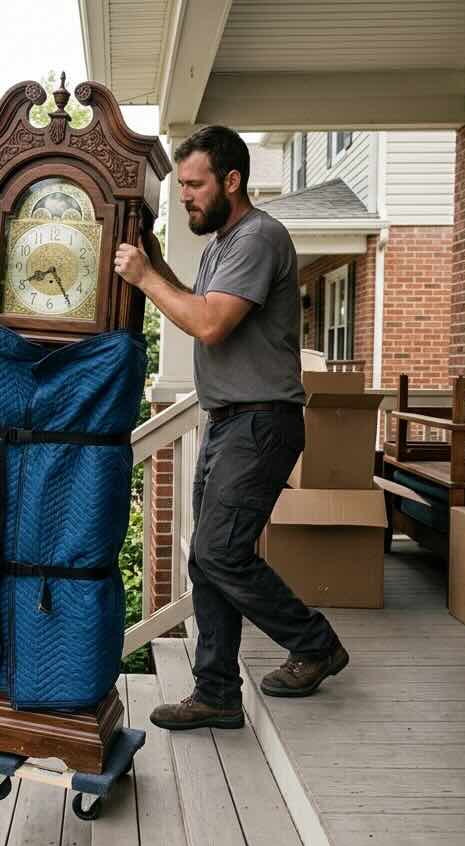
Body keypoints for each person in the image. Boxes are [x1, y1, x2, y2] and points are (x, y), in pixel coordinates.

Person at [114, 125, 349, 732]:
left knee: (220, 551)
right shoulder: (223, 243)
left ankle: (315, 643)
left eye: (194, 185)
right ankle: (216, 692)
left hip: (261, 421)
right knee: (207, 560)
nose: (186, 196)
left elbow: (211, 323)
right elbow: (198, 300)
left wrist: (144, 277)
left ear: (232, 181)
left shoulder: (259, 236)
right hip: (229, 421)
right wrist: (157, 259)